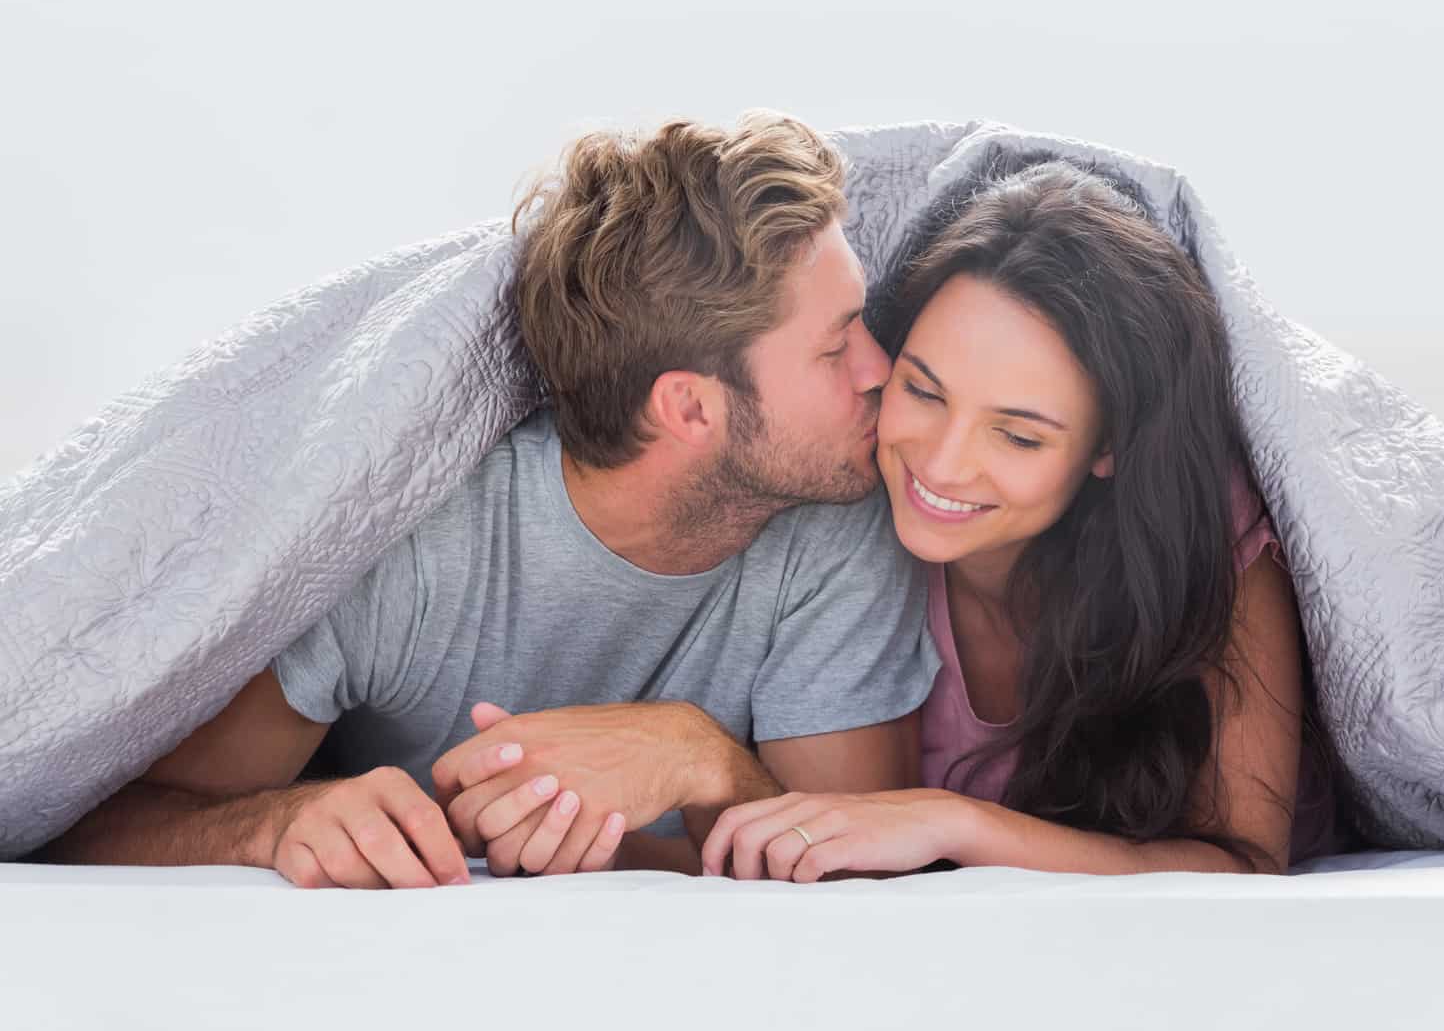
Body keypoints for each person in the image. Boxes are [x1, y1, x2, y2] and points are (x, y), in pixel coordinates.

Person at [40, 112, 941, 888]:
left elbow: (861, 876)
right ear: (690, 407)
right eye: (837, 346)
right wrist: (274, 824)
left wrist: (703, 761)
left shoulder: (836, 507)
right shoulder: (417, 546)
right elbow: (94, 819)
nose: (882, 369)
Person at [702, 156, 1344, 882]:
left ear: (1108, 446)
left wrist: (952, 823)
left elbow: (1245, 864)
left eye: (1017, 435)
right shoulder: (838, 540)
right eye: (924, 390)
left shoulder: (1207, 538)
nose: (942, 465)